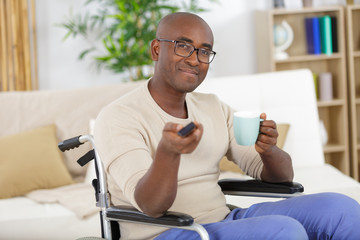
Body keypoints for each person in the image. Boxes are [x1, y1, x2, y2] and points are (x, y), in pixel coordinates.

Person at [94, 12, 360, 240]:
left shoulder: (213, 107)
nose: (194, 59)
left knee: (342, 209)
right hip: (166, 232)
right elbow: (151, 205)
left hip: (223, 221)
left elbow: (282, 178)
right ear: (156, 49)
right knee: (283, 231)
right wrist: (168, 153)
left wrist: (269, 150)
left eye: (204, 51)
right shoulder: (119, 116)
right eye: (183, 46)